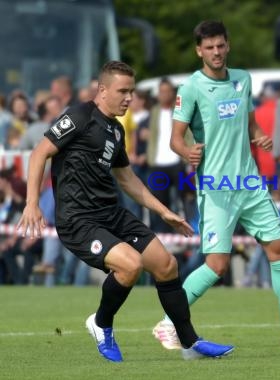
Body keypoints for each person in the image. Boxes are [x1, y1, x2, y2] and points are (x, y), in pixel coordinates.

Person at [16, 61, 233, 362]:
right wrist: (31, 203)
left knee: (166, 264)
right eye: (123, 91)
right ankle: (101, 323)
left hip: (111, 214)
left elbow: (127, 178)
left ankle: (189, 342)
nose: (129, 98)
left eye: (132, 91)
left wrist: (164, 211)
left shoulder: (116, 130)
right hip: (78, 220)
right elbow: (40, 153)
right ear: (102, 90)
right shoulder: (79, 117)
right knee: (130, 266)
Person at [154, 20, 280, 350]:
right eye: (209, 47)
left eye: (220, 45)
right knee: (217, 265)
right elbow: (175, 139)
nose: (216, 52)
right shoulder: (191, 88)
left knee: (279, 249)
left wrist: (258, 136)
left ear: (227, 45)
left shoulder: (242, 79)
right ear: (199, 51)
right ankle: (166, 324)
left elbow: (248, 122)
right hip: (216, 187)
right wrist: (187, 151)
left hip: (249, 182)